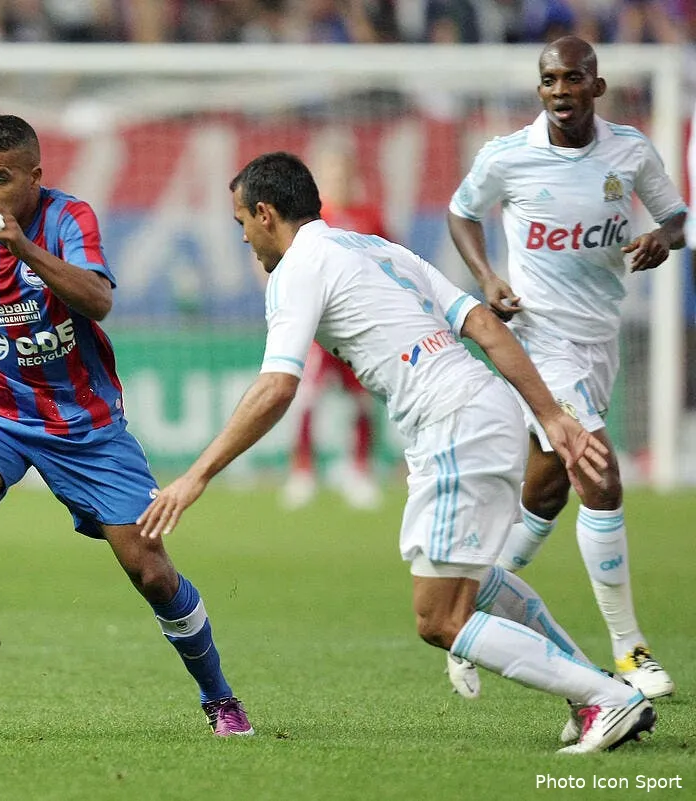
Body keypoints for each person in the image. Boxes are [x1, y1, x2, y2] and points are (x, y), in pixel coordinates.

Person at [139, 151, 657, 754]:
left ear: (265, 212)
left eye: (242, 224)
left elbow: (278, 385)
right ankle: (594, 692)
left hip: (452, 421)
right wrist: (548, 415)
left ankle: (608, 699)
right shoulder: (378, 248)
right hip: (480, 407)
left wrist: (195, 476)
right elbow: (485, 326)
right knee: (476, 583)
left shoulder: (297, 270)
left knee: (438, 618)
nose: (246, 239)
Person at [0, 115, 252, 735]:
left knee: (149, 569)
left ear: (35, 177)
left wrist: (24, 250)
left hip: (82, 424)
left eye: (0, 178)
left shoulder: (69, 220)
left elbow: (98, 301)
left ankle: (219, 697)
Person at [446, 36, 683, 701]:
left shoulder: (630, 151)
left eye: (573, 79)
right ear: (540, 86)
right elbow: (463, 211)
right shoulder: (507, 157)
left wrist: (661, 240)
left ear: (595, 88)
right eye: (549, 80)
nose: (559, 91)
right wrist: (488, 275)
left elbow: (677, 218)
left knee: (544, 496)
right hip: (541, 344)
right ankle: (630, 649)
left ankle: (468, 604)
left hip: (597, 341)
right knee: (601, 478)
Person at [281, 143, 383, 510]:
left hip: (357, 329)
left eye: (343, 173)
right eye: (331, 173)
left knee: (362, 401)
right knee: (307, 397)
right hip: (318, 328)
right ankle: (303, 471)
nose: (338, 179)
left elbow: (388, 262)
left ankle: (359, 470)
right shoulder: (308, 219)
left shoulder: (370, 217)